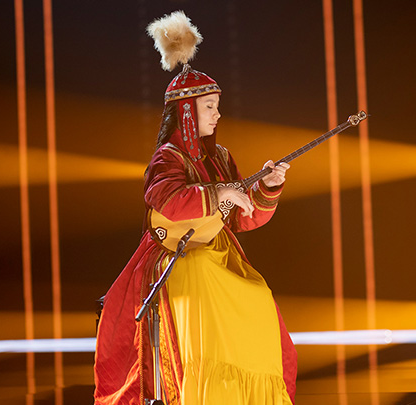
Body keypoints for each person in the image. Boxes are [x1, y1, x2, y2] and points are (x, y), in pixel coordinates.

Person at [94, 11, 297, 405]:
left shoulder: (220, 156)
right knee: (209, 283)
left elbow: (242, 218)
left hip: (219, 252)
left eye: (217, 105)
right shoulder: (168, 157)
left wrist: (267, 188)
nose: (217, 114)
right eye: (209, 106)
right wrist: (219, 193)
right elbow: (166, 199)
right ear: (187, 111)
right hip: (179, 255)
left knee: (258, 296)